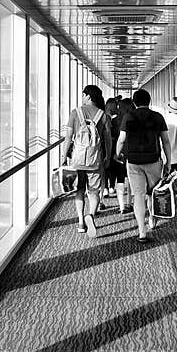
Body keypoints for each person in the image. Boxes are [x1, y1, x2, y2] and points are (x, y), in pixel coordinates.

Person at [116, 89, 172, 244]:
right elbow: (166, 141)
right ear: (149, 101)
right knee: (152, 193)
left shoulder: (128, 116)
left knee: (138, 195)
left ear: (134, 102)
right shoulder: (157, 117)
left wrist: (117, 154)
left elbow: (121, 140)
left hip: (133, 162)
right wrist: (168, 161)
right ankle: (152, 219)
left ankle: (142, 231)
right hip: (153, 160)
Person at [61, 84, 112, 238]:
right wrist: (108, 157)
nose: (82, 97)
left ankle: (80, 222)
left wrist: (64, 157)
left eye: (84, 95)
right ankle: (91, 215)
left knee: (79, 190)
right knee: (94, 191)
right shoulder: (102, 115)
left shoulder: (75, 113)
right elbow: (108, 140)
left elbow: (68, 137)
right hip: (94, 160)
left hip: (77, 160)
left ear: (88, 96)